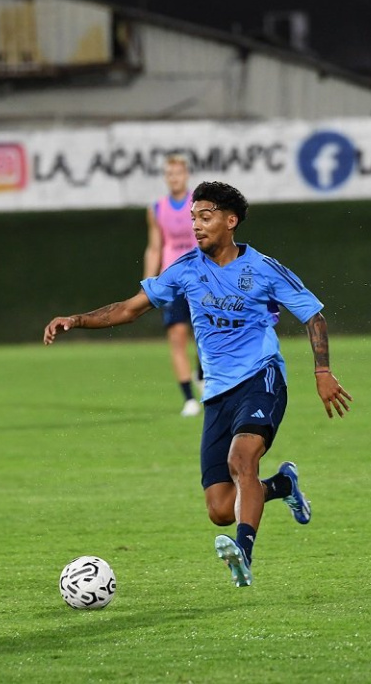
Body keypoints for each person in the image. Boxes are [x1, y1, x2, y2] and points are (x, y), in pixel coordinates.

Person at [44, 181, 352, 588]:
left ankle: (243, 552)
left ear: (231, 221)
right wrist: (76, 320)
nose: (196, 226)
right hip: (217, 393)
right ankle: (282, 485)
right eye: (193, 218)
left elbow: (313, 316)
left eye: (205, 217)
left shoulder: (263, 268)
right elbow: (129, 309)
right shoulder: (186, 269)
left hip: (261, 378)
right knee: (220, 509)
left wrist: (322, 372)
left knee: (242, 461)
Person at [143, 155, 204, 416]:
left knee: (205, 335)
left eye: (178, 173)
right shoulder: (156, 209)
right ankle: (189, 399)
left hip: (200, 278)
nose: (174, 178)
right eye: (169, 173)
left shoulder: (199, 204)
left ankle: (202, 373)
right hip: (173, 280)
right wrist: (148, 283)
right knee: (177, 337)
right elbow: (155, 247)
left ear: (186, 175)